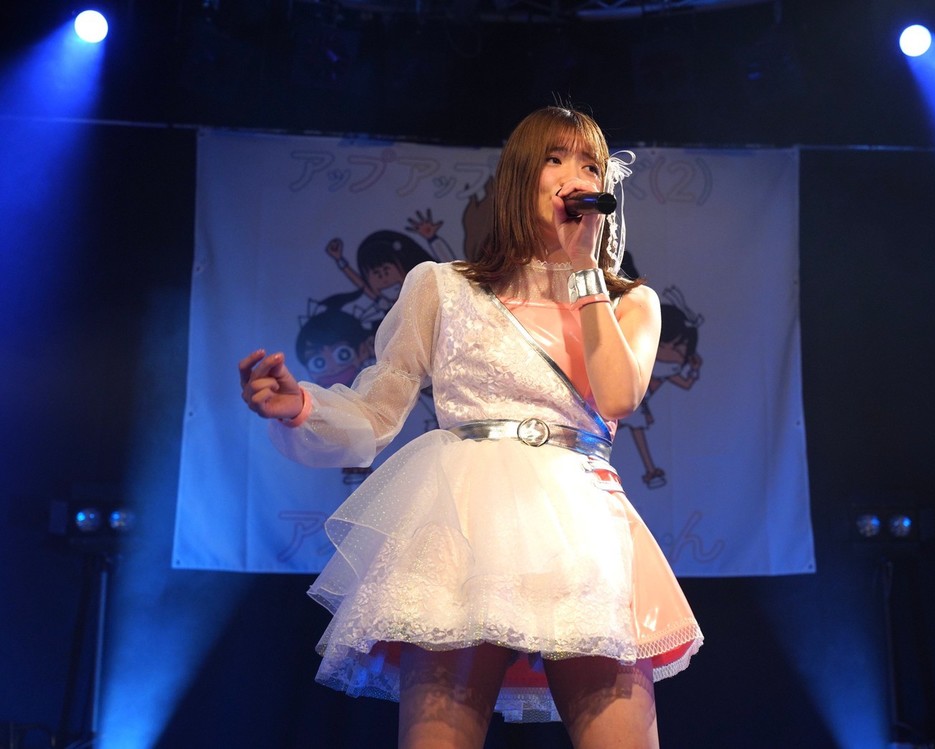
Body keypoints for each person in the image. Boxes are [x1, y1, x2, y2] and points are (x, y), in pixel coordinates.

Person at [238, 105, 703, 749]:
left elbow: (619, 396)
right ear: (518, 178)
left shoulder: (630, 301)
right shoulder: (442, 287)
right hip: (461, 522)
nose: (574, 176)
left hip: (583, 528)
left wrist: (585, 274)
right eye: (555, 158)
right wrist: (302, 408)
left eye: (590, 165)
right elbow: (378, 410)